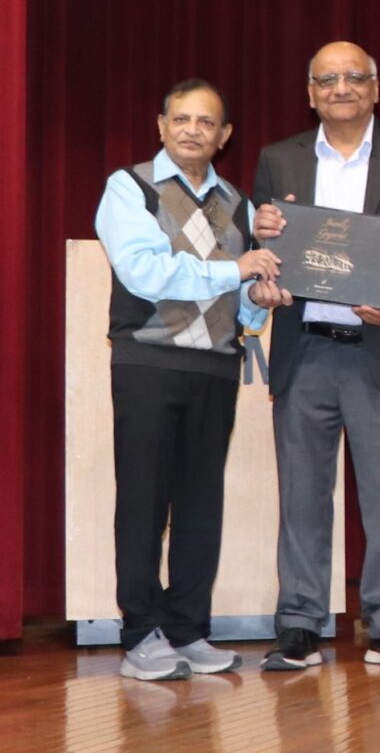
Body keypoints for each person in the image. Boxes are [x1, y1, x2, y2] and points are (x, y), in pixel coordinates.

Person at [251, 42, 380, 670]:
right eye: (327, 79)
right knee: (303, 495)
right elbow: (260, 251)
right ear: (310, 93)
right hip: (304, 350)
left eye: (354, 77)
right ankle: (300, 622)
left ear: (375, 88)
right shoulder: (278, 160)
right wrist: (260, 262)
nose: (341, 87)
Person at [96, 79, 286, 680]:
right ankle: (141, 634)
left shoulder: (242, 202)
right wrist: (236, 269)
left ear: (224, 136)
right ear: (160, 125)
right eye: (181, 119)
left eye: (206, 122)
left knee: (203, 504)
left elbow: (246, 303)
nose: (192, 130)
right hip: (148, 361)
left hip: (216, 365)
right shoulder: (128, 187)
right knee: (144, 501)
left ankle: (188, 629)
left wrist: (259, 296)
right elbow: (145, 270)